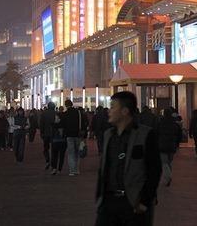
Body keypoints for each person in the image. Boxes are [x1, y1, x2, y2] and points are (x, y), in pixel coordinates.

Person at [95, 91, 161, 226]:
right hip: (109, 201)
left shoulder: (145, 134)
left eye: (113, 107)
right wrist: (99, 197)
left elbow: (154, 169)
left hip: (133, 203)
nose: (109, 111)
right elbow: (104, 168)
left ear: (125, 111)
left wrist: (144, 202)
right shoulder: (109, 135)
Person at [61, 99, 87, 176]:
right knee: (77, 152)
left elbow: (62, 124)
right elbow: (83, 123)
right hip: (78, 134)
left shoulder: (65, 114)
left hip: (69, 135)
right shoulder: (78, 113)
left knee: (71, 153)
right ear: (72, 104)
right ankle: (76, 169)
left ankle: (72, 170)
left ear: (66, 105)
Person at [157, 108, 182, 187]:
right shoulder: (175, 124)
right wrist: (177, 143)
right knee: (169, 162)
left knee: (164, 162)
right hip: (172, 145)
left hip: (162, 145)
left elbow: (156, 133)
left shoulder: (160, 123)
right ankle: (168, 177)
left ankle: (168, 176)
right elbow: (179, 135)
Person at [39, 102, 57, 169]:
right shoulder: (56, 113)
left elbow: (41, 124)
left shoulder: (44, 113)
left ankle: (47, 160)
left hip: (46, 133)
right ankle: (53, 163)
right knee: (53, 149)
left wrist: (41, 132)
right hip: (54, 133)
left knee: (46, 148)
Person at [51, 109, 67, 175]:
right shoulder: (65, 125)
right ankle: (59, 169)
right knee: (61, 156)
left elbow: (52, 134)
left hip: (56, 142)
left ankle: (55, 168)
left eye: (56, 117)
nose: (55, 118)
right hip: (63, 142)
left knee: (55, 156)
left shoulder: (53, 125)